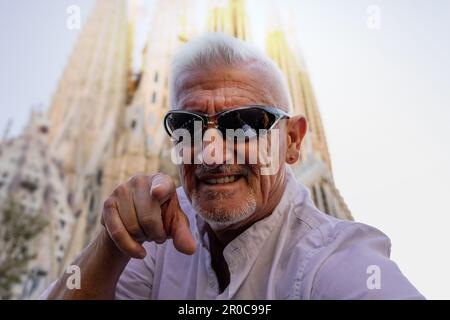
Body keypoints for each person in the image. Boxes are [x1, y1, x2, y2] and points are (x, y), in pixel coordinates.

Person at [42, 33, 424, 299]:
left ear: (292, 141)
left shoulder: (330, 260)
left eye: (243, 124)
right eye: (187, 126)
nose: (211, 155)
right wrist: (111, 244)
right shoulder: (157, 245)